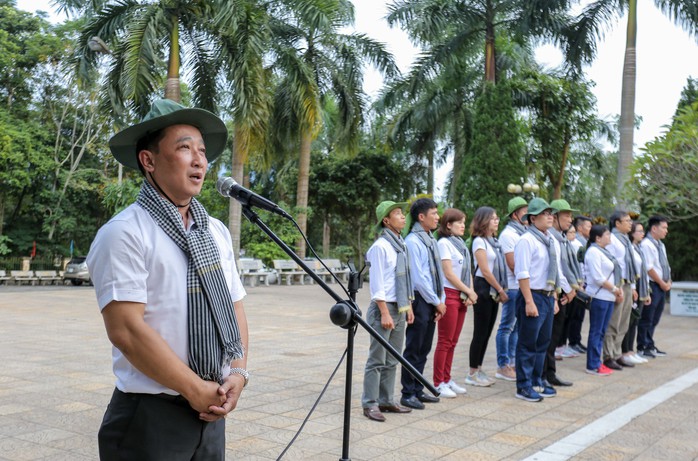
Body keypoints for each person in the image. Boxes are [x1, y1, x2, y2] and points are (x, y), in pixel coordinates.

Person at [87, 99, 249, 460]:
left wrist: (237, 373)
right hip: (150, 418)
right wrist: (194, 389)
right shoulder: (125, 233)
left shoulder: (215, 232)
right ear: (148, 160)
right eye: (184, 148)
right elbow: (126, 331)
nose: (199, 160)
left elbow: (234, 305)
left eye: (203, 151)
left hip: (211, 411)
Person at [361, 201, 415, 422]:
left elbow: (402, 281)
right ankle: (370, 403)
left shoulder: (400, 245)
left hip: (399, 307)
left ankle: (386, 399)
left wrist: (408, 306)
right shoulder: (380, 247)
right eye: (398, 214)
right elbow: (378, 285)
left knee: (393, 358)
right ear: (386, 220)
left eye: (403, 214)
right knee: (377, 359)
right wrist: (384, 312)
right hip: (383, 308)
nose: (403, 217)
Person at [513, 198, 565, 402]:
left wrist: (553, 298)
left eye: (551, 213)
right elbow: (522, 273)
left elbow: (554, 272)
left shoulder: (551, 240)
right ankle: (523, 385)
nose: (550, 216)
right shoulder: (527, 240)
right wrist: (528, 301)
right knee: (527, 343)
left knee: (543, 342)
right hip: (531, 294)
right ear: (533, 218)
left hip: (546, 295)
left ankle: (538, 379)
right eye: (545, 213)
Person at [400, 198, 444, 410]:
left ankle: (418, 388)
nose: (437, 217)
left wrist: (439, 301)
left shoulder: (430, 239)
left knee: (425, 347)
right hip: (420, 300)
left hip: (432, 300)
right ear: (421, 217)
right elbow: (418, 278)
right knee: (414, 348)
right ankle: (407, 393)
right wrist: (437, 301)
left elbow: (438, 273)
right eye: (434, 213)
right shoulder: (412, 241)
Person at [434, 208, 477, 398]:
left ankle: (447, 378)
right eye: (459, 222)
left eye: (464, 221)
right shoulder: (444, 244)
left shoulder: (460, 244)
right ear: (448, 225)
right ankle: (438, 382)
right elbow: (448, 273)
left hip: (461, 295)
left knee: (453, 341)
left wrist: (470, 292)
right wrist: (468, 290)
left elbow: (467, 271)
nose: (463, 226)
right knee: (444, 340)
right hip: (449, 295)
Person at [466, 206, 507, 387]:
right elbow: (485, 270)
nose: (496, 221)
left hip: (493, 289)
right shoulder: (479, 242)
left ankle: (479, 368)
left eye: (497, 218)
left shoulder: (494, 241)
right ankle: (472, 372)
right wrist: (500, 289)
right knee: (480, 332)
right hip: (484, 288)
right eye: (493, 219)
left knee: (488, 331)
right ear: (483, 221)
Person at [544, 199, 580, 388]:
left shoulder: (563, 239)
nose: (570, 219)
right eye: (566, 215)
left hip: (563, 292)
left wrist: (572, 289)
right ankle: (545, 374)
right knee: (548, 338)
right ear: (555, 217)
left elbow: (567, 268)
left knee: (555, 336)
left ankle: (550, 373)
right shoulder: (552, 238)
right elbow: (557, 269)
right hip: (555, 293)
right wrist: (568, 289)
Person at [495, 197, 528, 382]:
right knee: (507, 327)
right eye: (524, 211)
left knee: (515, 328)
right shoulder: (508, 235)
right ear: (515, 214)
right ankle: (502, 364)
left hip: (520, 286)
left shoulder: (523, 232)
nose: (528, 215)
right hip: (513, 286)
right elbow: (512, 263)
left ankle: (513, 362)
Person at [584, 225, 622, 376]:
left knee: (601, 332)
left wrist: (615, 290)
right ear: (597, 238)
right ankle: (592, 364)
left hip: (608, 297)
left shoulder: (604, 252)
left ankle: (597, 361)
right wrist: (614, 289)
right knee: (596, 331)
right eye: (606, 234)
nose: (609, 236)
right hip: (599, 296)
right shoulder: (593, 252)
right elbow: (597, 277)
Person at [603, 210, 637, 371]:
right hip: (618, 285)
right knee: (613, 322)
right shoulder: (612, 240)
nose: (630, 223)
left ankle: (617, 354)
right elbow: (612, 266)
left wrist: (633, 287)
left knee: (624, 322)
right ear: (617, 223)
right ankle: (608, 355)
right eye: (627, 221)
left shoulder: (626, 240)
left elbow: (629, 265)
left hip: (628, 283)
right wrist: (616, 289)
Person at [638, 215, 672, 358]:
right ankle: (642, 346)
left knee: (655, 317)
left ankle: (650, 344)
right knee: (647, 317)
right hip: (653, 285)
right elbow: (649, 268)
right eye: (664, 228)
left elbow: (664, 265)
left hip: (661, 285)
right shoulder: (646, 244)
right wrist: (662, 283)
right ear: (654, 228)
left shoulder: (660, 244)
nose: (666, 231)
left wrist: (668, 281)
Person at [620, 221, 651, 366]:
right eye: (639, 231)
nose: (642, 233)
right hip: (632, 285)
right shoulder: (629, 248)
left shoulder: (638, 248)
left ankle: (630, 351)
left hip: (640, 287)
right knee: (629, 320)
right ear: (632, 233)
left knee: (635, 320)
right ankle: (624, 351)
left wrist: (647, 291)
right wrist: (633, 287)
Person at [567, 215, 593, 354]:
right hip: (577, 284)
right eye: (588, 226)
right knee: (574, 315)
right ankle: (572, 342)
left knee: (579, 315)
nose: (590, 229)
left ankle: (576, 341)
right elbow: (578, 266)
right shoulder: (576, 243)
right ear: (580, 227)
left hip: (582, 283)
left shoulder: (584, 242)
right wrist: (580, 283)